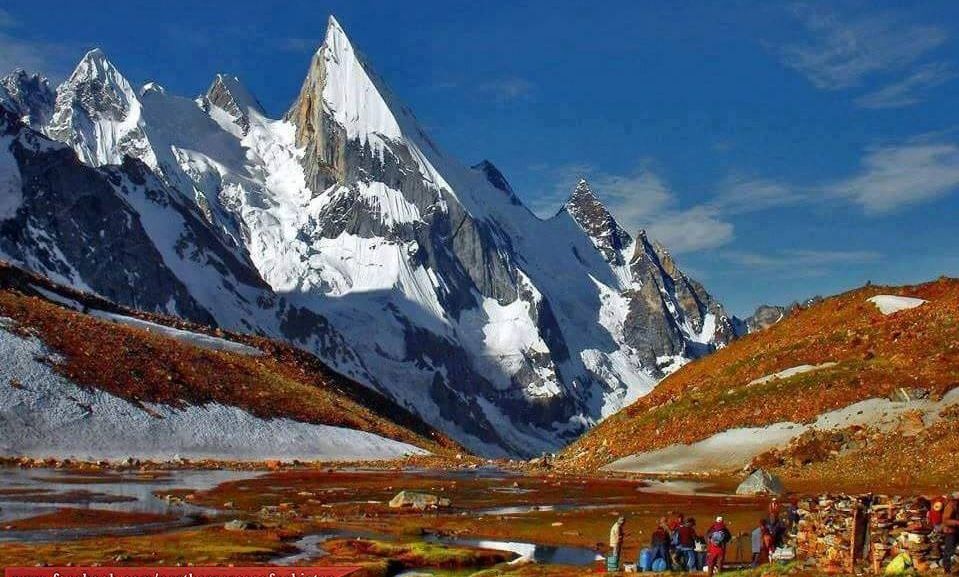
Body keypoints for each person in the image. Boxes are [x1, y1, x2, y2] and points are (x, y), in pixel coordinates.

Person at [943, 493, 959, 574]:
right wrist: (957, 522)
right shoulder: (950, 506)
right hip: (950, 532)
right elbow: (945, 520)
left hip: (956, 530)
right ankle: (947, 569)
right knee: (949, 550)